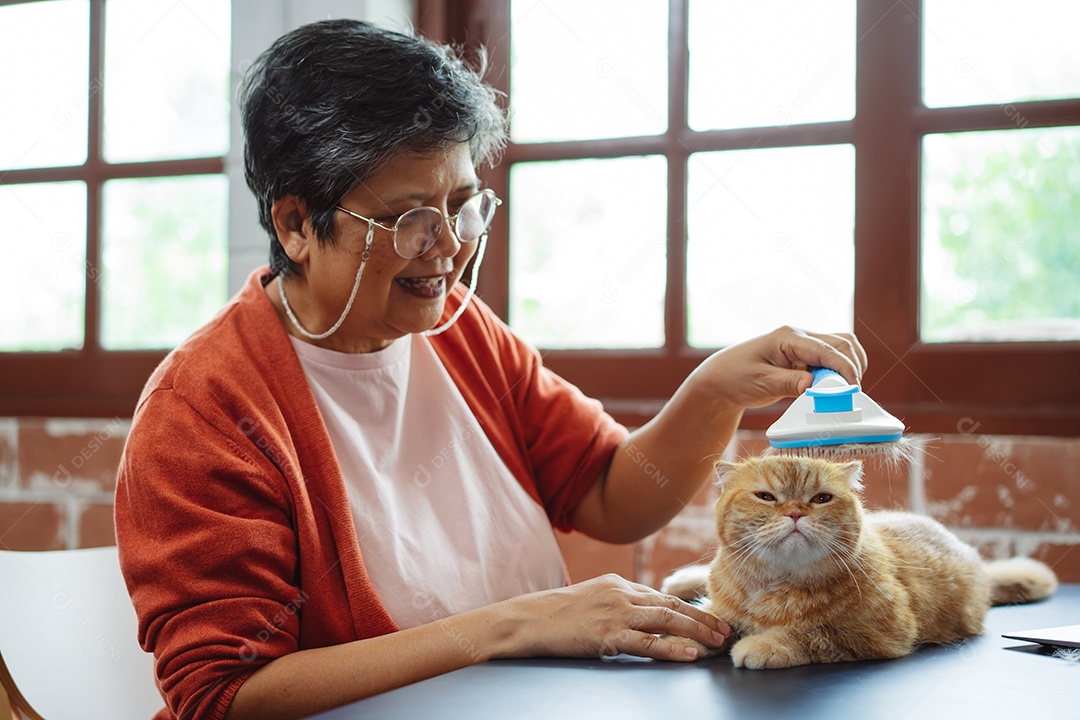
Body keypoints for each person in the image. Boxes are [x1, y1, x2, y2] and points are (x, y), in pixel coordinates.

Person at [114, 19, 868, 720]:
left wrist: (714, 390)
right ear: (295, 225)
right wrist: (516, 625)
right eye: (409, 218)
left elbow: (609, 495)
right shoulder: (205, 411)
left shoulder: (456, 328)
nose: (447, 246)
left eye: (466, 206)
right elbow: (223, 695)